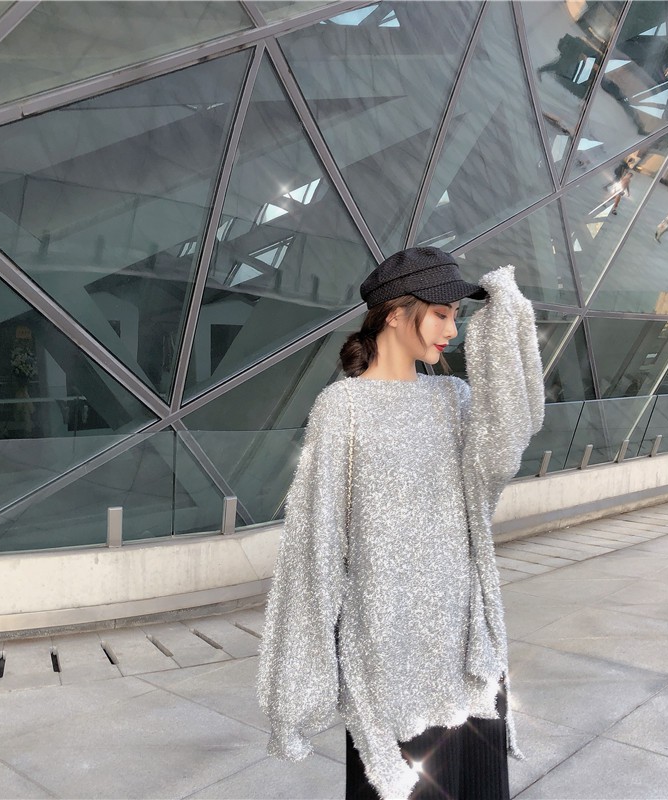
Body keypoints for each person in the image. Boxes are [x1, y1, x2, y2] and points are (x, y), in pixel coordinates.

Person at [257, 247, 544, 800]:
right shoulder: (342, 407)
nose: (452, 330)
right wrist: (299, 683)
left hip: (464, 640)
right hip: (388, 651)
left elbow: (501, 453)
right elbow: (315, 546)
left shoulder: (454, 398)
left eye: (456, 316)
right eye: (441, 314)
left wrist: (506, 323)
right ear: (395, 313)